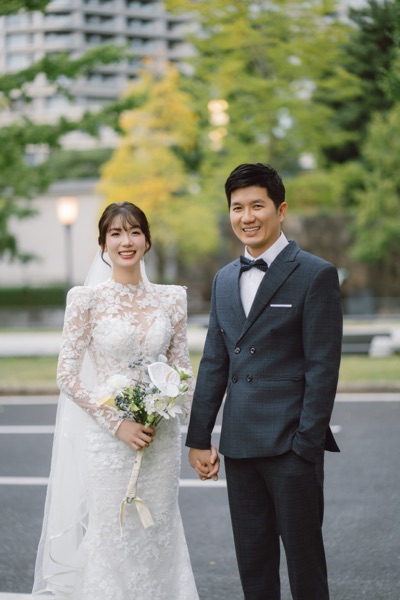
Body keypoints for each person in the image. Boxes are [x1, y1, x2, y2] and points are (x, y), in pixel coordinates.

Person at [186, 163, 343, 600]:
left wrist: (306, 443)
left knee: (306, 570)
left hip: (292, 445)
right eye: (237, 207)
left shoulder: (315, 274)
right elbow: (214, 362)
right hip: (239, 446)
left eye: (257, 205)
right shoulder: (223, 279)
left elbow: (323, 368)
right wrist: (198, 438)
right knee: (253, 569)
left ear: (281, 209)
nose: (247, 217)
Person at [33, 201, 201, 599]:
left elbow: (182, 371)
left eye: (135, 232)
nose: (126, 241)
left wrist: (198, 435)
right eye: (116, 233)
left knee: (158, 530)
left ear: (147, 241)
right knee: (114, 534)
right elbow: (66, 375)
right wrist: (117, 423)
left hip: (160, 438)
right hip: (109, 441)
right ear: (103, 244)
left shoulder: (172, 299)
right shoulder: (86, 301)